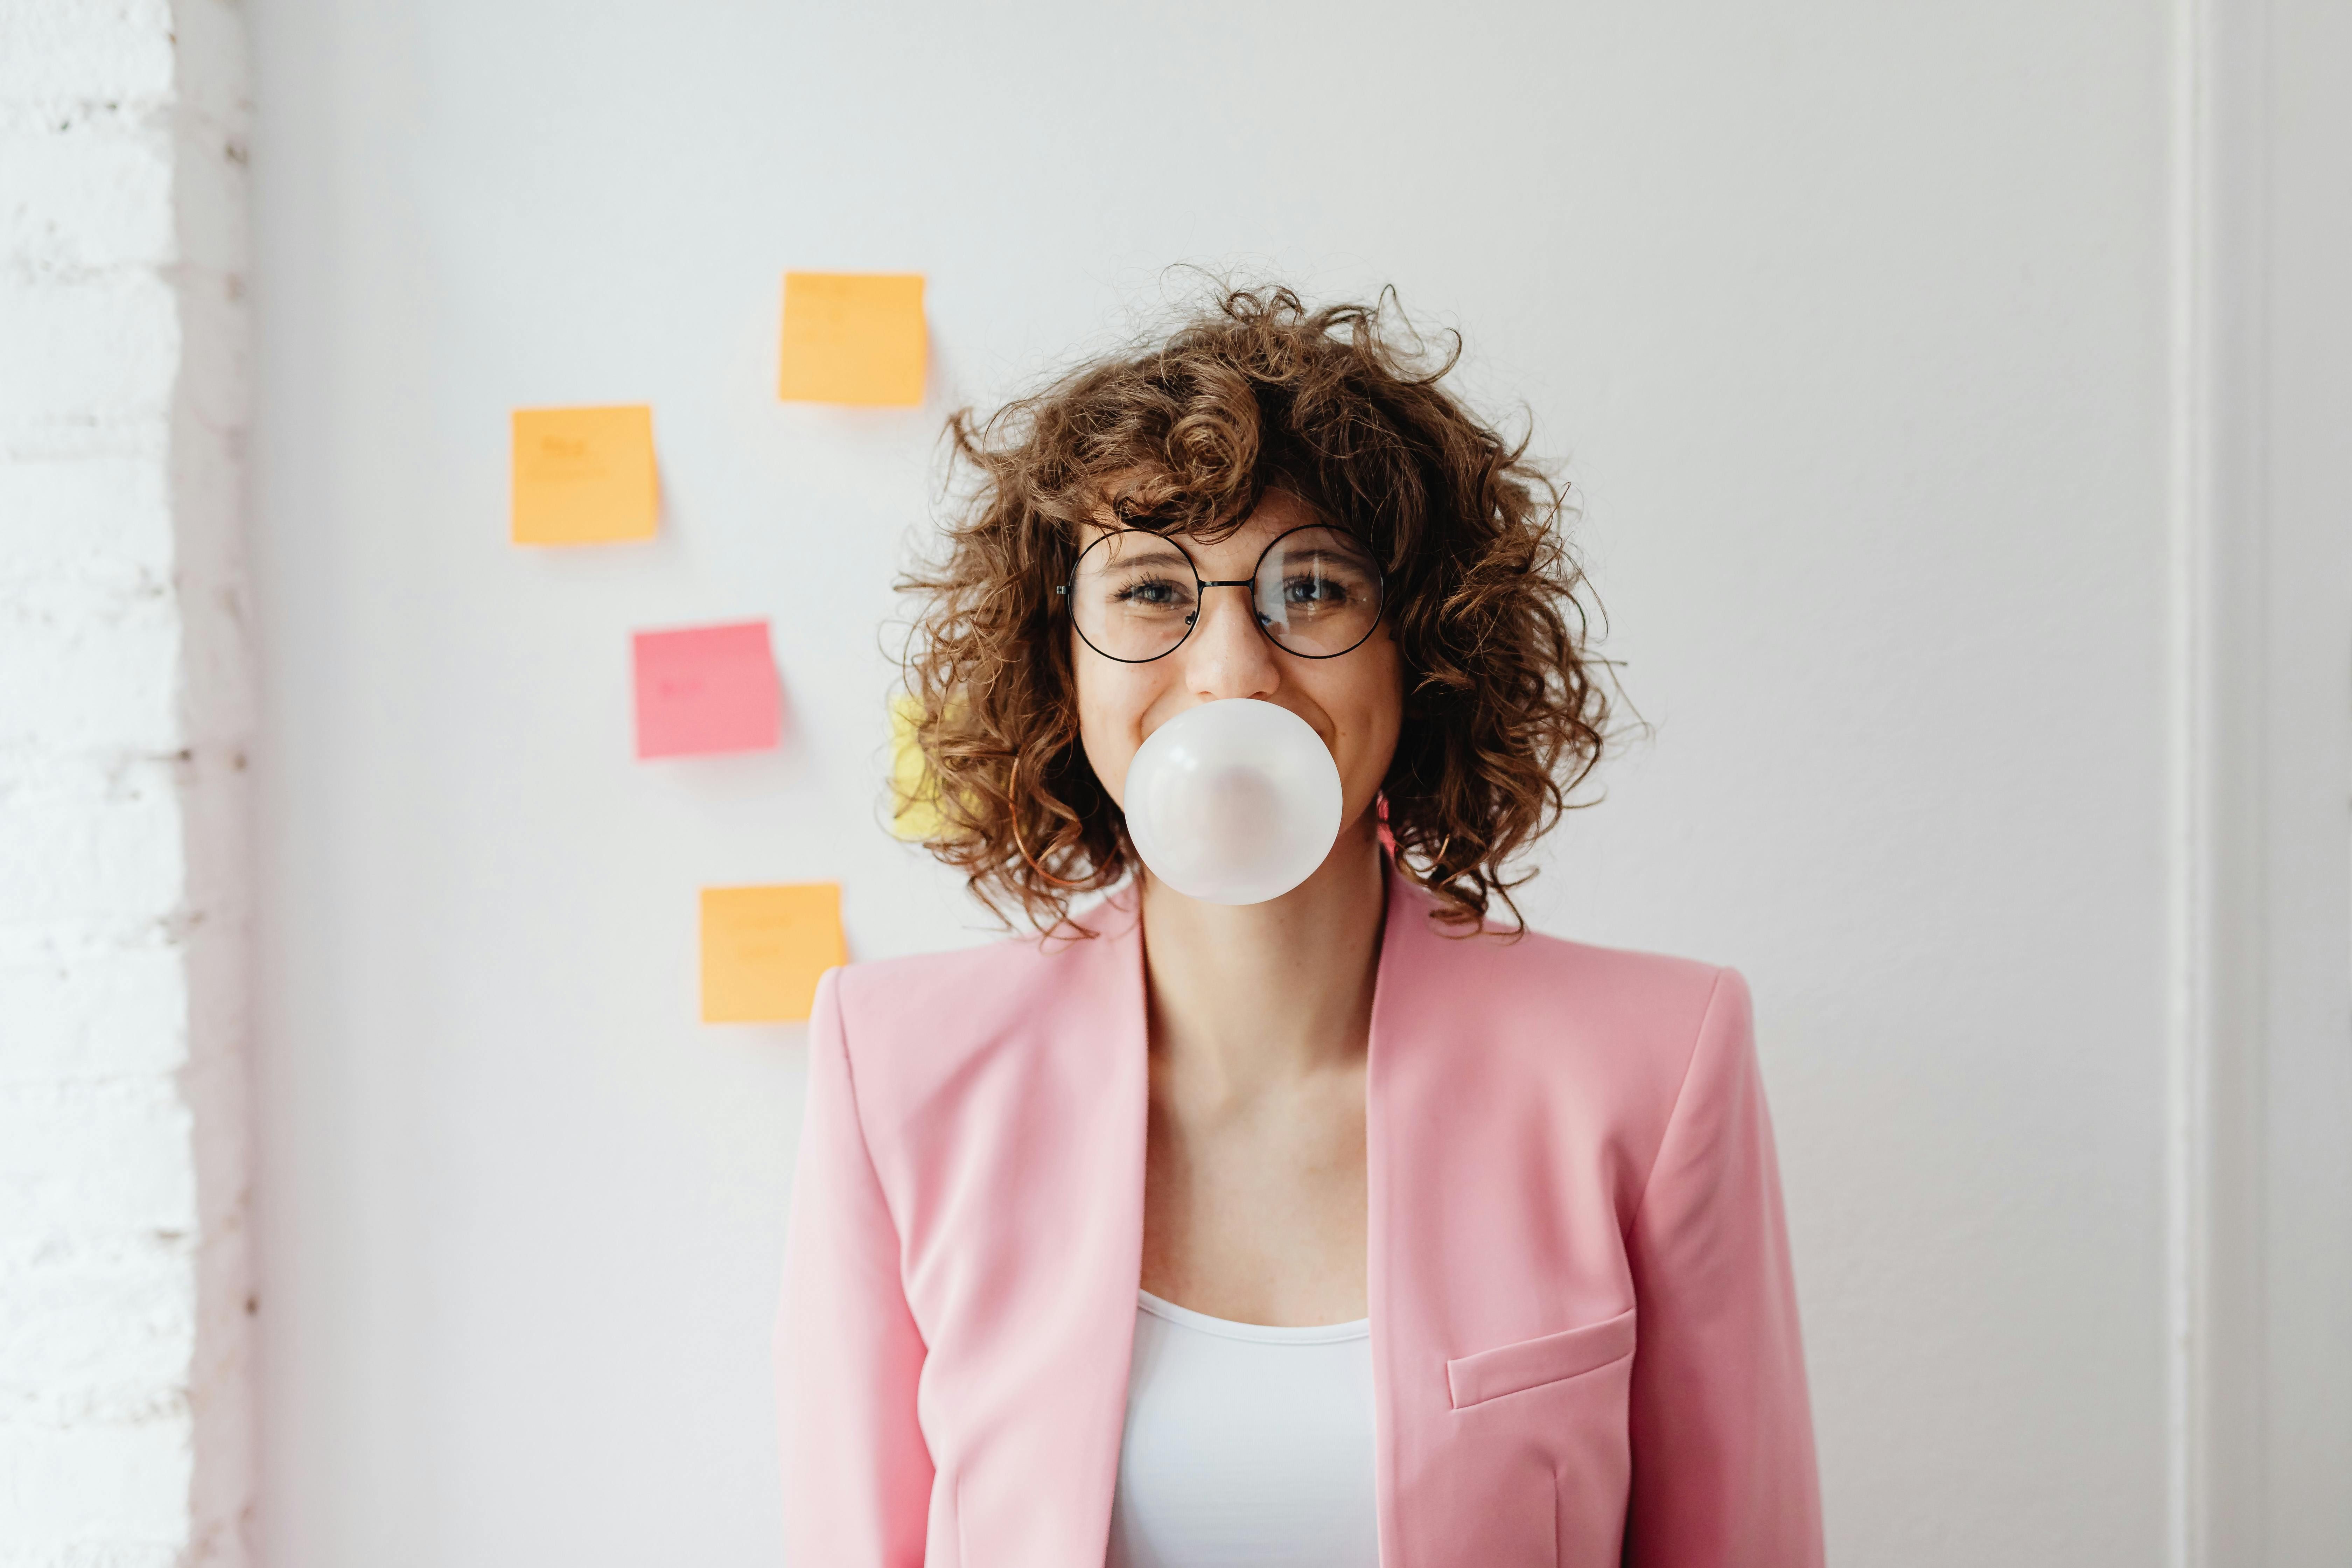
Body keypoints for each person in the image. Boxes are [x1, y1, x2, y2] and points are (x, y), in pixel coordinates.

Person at [776, 287, 1822, 1567]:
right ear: (1063, 660)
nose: (1231, 671)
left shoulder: (1657, 1066)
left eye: (1312, 585)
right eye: (1152, 589)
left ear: (1422, 648)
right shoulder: (894, 1067)